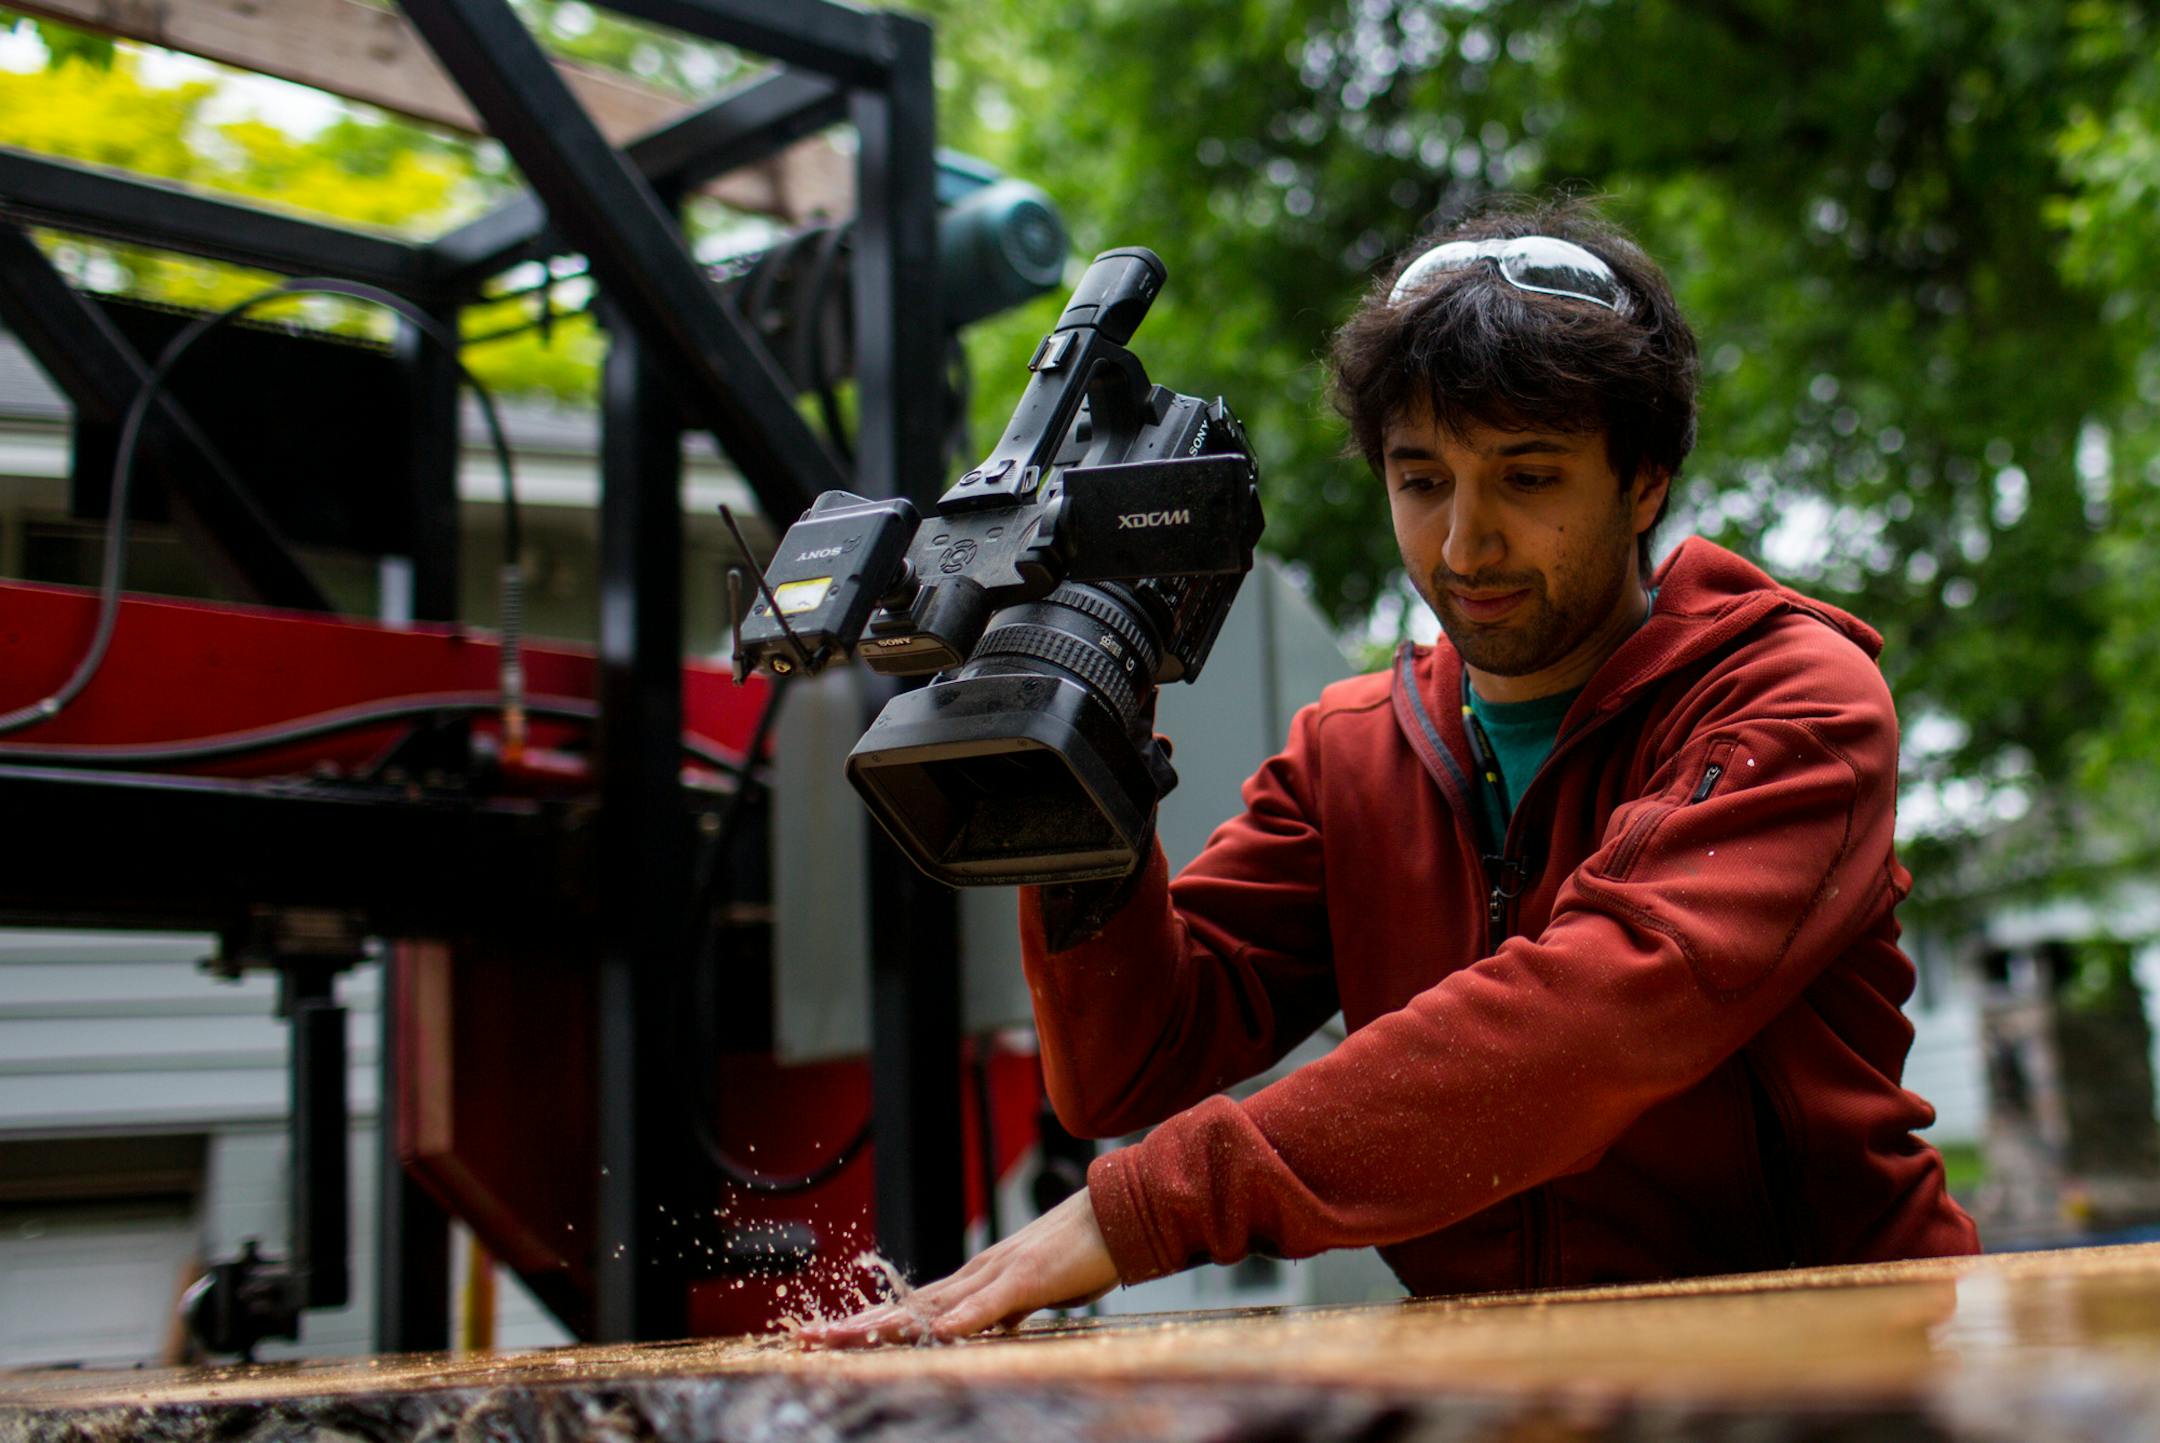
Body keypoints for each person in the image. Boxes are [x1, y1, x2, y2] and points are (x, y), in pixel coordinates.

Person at [804, 197, 1979, 1348]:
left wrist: (1144, 1208)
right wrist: (1084, 740)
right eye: (1422, 481)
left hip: (1846, 1356)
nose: (1466, 546)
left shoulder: (1792, 699)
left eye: (1526, 478)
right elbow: (1126, 1068)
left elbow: (1583, 1025)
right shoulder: (1352, 750)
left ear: (1646, 480)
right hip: (1515, 1386)